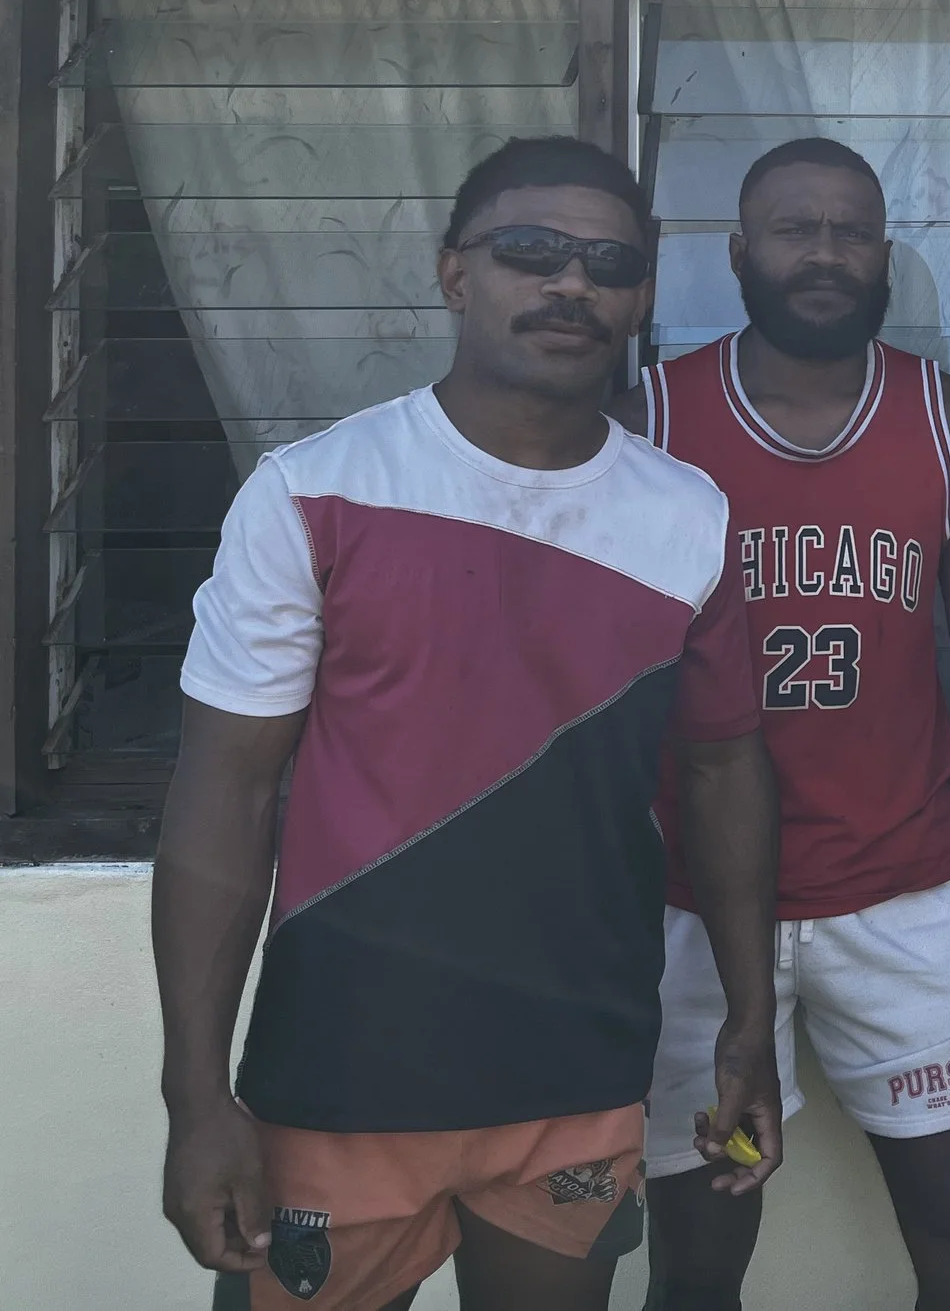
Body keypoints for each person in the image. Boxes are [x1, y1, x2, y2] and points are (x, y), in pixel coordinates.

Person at [153, 137, 782, 1311]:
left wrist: (751, 1023)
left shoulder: (688, 517)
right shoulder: (313, 492)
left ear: (640, 297)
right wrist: (195, 1096)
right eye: (530, 252)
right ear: (455, 274)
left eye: (609, 264)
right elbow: (223, 797)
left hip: (579, 1072)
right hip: (340, 1075)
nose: (572, 283)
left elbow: (723, 771)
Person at [620, 136, 950, 1311]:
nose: (824, 253)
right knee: (697, 1265)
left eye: (851, 232)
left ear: (885, 256)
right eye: (795, 229)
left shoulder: (948, 422)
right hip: (696, 914)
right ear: (737, 252)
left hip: (903, 899)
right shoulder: (652, 420)